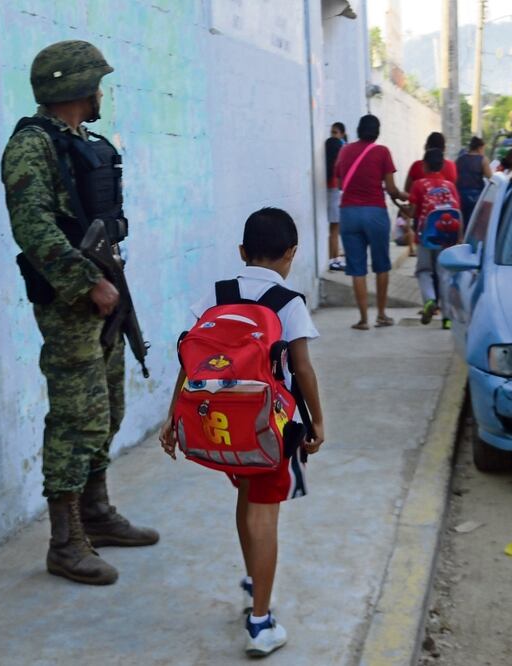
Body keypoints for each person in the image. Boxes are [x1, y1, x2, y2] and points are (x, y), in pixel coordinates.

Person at [1, 40, 159, 587]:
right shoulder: (31, 146)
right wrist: (86, 281)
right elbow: (33, 226)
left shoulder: (81, 143)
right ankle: (65, 543)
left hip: (104, 294)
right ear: (76, 87)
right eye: (96, 84)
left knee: (107, 407)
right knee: (75, 417)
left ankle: (96, 513)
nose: (100, 95)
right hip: (71, 302)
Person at [160, 208, 325, 658]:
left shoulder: (216, 295)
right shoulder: (287, 302)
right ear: (291, 253)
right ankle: (260, 622)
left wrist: (173, 416)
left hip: (223, 425)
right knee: (264, 512)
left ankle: (255, 578)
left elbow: (189, 359)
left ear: (241, 251)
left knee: (247, 497)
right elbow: (303, 369)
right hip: (268, 427)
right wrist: (317, 421)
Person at [334, 114, 409, 330]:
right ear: (377, 131)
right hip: (375, 213)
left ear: (359, 129)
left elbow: (340, 184)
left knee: (357, 268)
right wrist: (404, 196)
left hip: (349, 213)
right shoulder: (382, 152)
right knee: (381, 265)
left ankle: (363, 319)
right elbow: (391, 189)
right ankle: (382, 315)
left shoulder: (344, 151)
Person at [408, 148, 461, 329]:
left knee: (424, 271)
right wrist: (459, 237)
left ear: (424, 165)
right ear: (442, 166)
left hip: (426, 236)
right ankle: (447, 318)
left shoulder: (419, 185)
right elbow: (457, 211)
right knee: (444, 274)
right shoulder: (450, 186)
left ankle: (430, 300)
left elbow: (412, 212)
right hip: (447, 237)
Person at [402, 132, 458, 256]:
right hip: (446, 221)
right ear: (444, 148)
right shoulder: (451, 167)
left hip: (423, 222)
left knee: (425, 258)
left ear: (426, 146)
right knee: (442, 258)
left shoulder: (417, 166)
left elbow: (407, 191)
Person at [326, 122, 347, 271]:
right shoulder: (338, 147)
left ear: (342, 133)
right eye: (332, 132)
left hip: (336, 190)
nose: (333, 135)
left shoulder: (339, 147)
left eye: (335, 132)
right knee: (335, 227)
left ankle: (335, 258)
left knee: (335, 227)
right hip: (335, 190)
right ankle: (333, 259)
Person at [455, 136, 492, 220]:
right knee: (475, 219)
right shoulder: (483, 160)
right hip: (476, 195)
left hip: (460, 194)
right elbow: (490, 176)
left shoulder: (460, 159)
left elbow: (455, 176)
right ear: (479, 148)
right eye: (483, 149)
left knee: (462, 219)